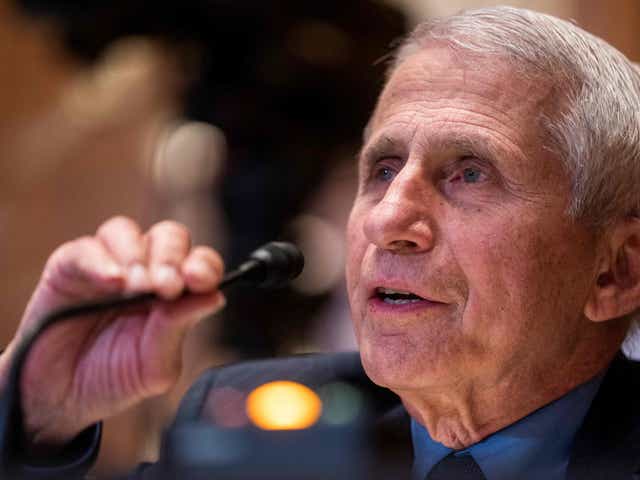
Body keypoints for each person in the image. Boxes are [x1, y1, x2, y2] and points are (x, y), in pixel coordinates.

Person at [2, 5, 640, 479]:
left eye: (470, 173)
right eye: (383, 170)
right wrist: (37, 415)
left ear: (614, 273)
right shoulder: (252, 422)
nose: (389, 220)